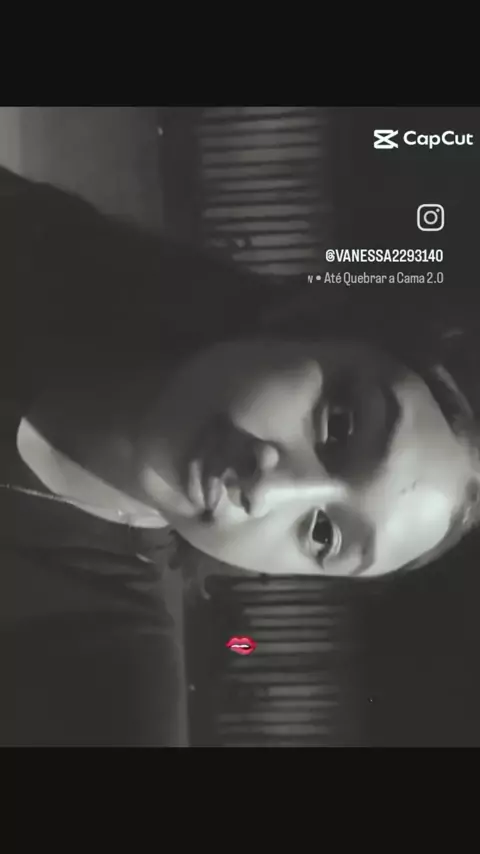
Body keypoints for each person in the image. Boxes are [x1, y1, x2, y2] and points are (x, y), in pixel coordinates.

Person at [1, 166, 479, 743]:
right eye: (339, 426)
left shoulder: (103, 683)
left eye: (323, 535)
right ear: (300, 323)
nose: (269, 489)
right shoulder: (33, 240)